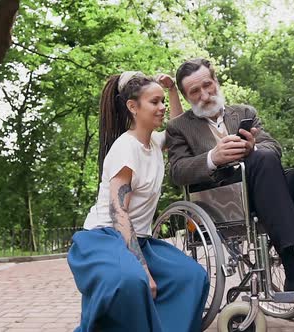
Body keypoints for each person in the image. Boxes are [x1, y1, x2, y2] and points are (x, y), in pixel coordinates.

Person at [165, 58, 294, 302]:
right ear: (186, 96)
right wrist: (214, 157)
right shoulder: (178, 127)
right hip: (228, 202)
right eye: (195, 91)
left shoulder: (244, 113)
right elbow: (177, 171)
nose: (204, 94)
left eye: (207, 85)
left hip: (273, 190)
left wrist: (252, 147)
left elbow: (272, 146)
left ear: (216, 81)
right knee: (261, 159)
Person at [68, 71, 209, 332]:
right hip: (105, 237)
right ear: (133, 107)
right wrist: (143, 269)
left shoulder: (153, 143)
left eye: (162, 102)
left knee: (191, 277)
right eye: (154, 102)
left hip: (139, 239)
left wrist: (172, 91)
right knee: (132, 281)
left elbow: (179, 129)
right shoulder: (126, 147)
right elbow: (119, 212)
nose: (162, 107)